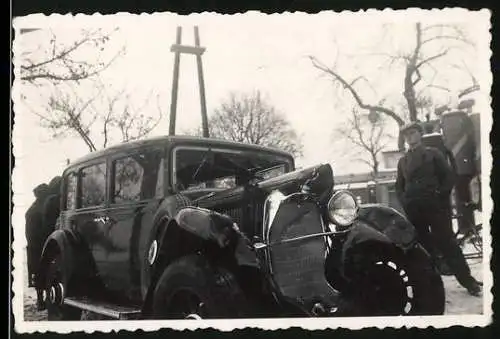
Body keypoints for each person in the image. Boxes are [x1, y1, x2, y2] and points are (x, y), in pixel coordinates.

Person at [395, 122, 482, 296]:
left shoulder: (433, 154)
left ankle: (468, 282)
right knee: (423, 248)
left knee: (447, 243)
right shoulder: (403, 161)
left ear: (420, 135)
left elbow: (449, 177)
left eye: (412, 133)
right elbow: (399, 186)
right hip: (414, 210)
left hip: (435, 208)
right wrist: (405, 201)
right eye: (406, 135)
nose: (409, 138)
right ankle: (431, 286)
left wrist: (439, 196)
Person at [25, 183, 49, 288]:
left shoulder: (33, 209)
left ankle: (40, 298)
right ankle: (40, 299)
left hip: (34, 244)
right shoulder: (37, 210)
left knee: (39, 271)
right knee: (41, 271)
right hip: (38, 244)